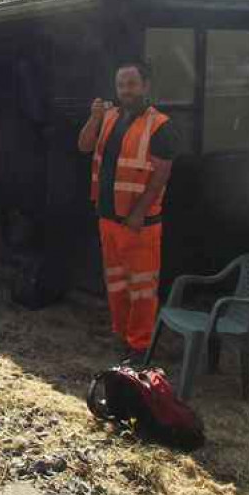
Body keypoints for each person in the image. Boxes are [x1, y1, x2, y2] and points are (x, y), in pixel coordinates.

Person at [77, 61, 178, 365]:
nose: (126, 90)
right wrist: (94, 118)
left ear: (146, 86)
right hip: (108, 218)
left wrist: (137, 213)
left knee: (142, 288)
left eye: (132, 84)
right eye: (121, 85)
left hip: (140, 224)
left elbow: (161, 174)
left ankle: (140, 345)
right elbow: (83, 146)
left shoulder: (160, 125)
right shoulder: (108, 117)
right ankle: (122, 335)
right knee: (117, 284)